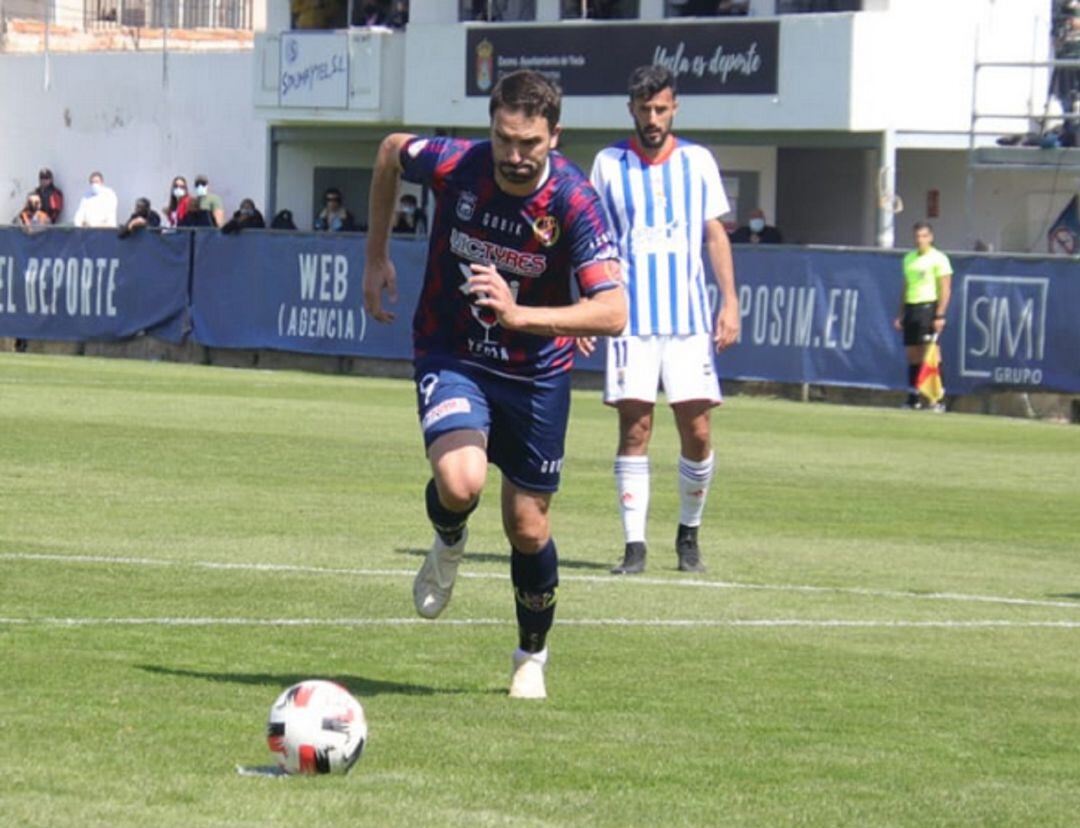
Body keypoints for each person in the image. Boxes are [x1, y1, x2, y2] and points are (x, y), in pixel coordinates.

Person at [363, 69, 625, 700]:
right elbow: (391, 151)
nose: (514, 155)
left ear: (554, 137)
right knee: (460, 482)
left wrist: (522, 316)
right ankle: (448, 538)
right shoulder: (458, 165)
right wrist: (375, 256)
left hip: (535, 373)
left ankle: (530, 656)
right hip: (452, 350)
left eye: (529, 142)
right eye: (504, 138)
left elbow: (613, 311)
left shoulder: (574, 200)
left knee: (527, 526)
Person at [589, 64, 740, 576]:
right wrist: (586, 310)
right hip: (629, 319)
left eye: (661, 108)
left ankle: (688, 534)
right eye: (644, 109)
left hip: (688, 320)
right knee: (636, 428)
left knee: (696, 430)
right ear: (631, 109)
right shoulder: (608, 164)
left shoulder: (698, 161)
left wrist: (730, 301)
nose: (652, 118)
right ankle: (634, 546)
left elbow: (714, 234)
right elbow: (593, 241)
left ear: (674, 108)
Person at [893, 222, 952, 411]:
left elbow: (945, 288)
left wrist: (940, 314)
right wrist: (901, 313)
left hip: (928, 308)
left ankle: (938, 398)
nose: (920, 240)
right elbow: (905, 287)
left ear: (931, 237)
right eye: (917, 236)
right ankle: (914, 396)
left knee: (931, 352)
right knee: (912, 354)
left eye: (924, 236)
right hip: (911, 308)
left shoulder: (939, 259)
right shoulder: (909, 258)